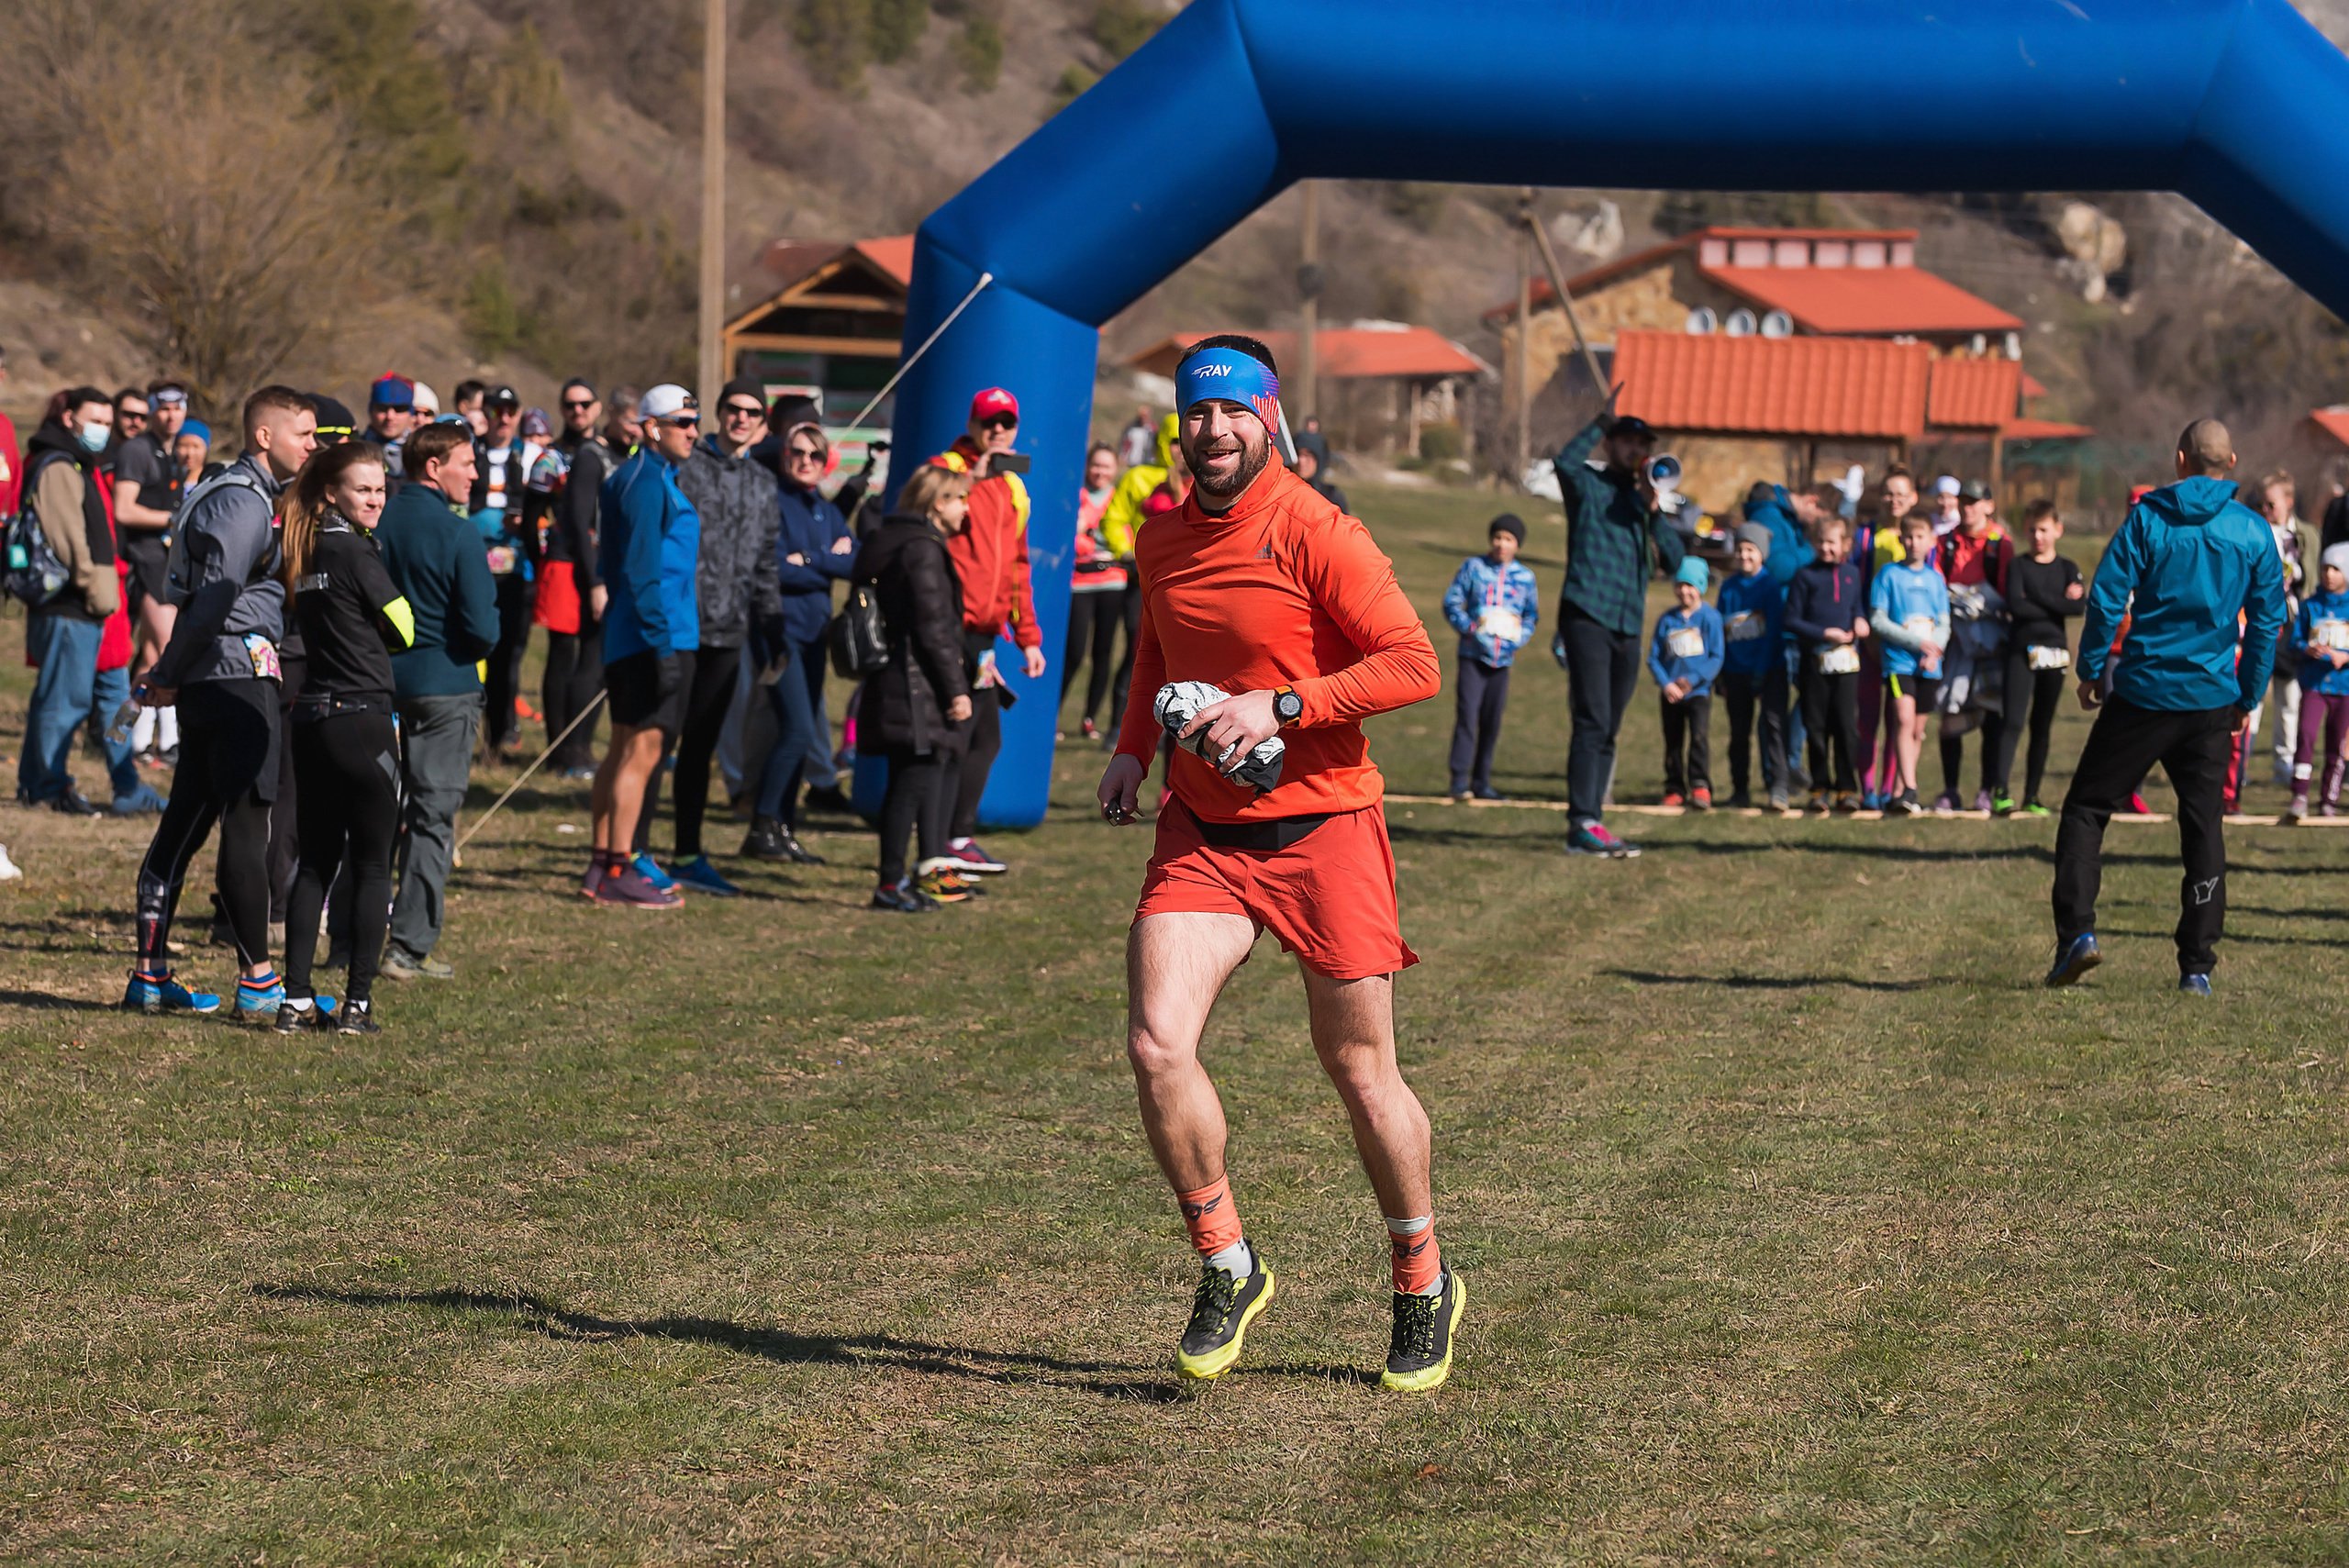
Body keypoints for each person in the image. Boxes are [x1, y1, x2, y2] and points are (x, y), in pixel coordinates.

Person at [1097, 334, 1456, 1393]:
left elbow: (1413, 662)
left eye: (1232, 412)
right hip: (1204, 833)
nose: (1211, 430)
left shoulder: (1317, 529)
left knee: (1359, 1069)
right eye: (1195, 413)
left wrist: (1283, 705)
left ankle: (1422, 1277)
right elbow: (1158, 647)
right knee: (1157, 1043)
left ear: (1268, 420)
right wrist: (1131, 748)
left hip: (1323, 830)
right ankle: (1228, 1261)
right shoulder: (1161, 538)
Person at [2049, 418, 2284, 995]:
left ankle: (2078, 935)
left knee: (2086, 810)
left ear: (2180, 460)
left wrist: (2091, 670)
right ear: (2231, 464)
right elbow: (2266, 624)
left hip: (2144, 694)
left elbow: (2107, 596)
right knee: (2203, 828)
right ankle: (2196, 968)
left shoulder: (2148, 518)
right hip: (2210, 700)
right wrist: (2248, 696)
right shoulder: (2253, 530)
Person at [124, 386, 317, 1020]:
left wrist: (177, 669)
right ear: (264, 435)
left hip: (215, 673)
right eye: (304, 433)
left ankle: (150, 976)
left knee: (186, 819)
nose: (312, 445)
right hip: (237, 677)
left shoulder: (235, 491)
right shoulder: (243, 501)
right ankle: (258, 980)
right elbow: (214, 598)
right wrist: (168, 669)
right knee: (246, 823)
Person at [275, 440, 412, 1035]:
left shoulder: (304, 550)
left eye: (380, 488)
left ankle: (295, 1000)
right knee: (374, 865)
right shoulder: (356, 551)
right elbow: (405, 625)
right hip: (362, 718)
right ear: (333, 493)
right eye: (363, 489)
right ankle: (357, 1005)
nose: (375, 498)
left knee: (314, 865)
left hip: (313, 718)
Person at [375, 420, 500, 979]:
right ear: (434, 467)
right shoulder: (457, 532)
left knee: (376, 813)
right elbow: (483, 628)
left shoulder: (376, 522)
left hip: (381, 683)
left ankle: (352, 937)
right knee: (432, 817)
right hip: (446, 686)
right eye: (467, 464)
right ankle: (407, 946)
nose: (475, 475)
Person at [654, 375, 783, 897]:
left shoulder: (764, 483)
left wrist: (772, 622)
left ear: (763, 423)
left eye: (752, 412)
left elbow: (766, 562)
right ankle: (629, 852)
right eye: (734, 408)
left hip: (730, 632)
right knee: (657, 739)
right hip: (680, 628)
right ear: (719, 412)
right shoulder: (686, 467)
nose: (741, 418)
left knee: (700, 747)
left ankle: (687, 852)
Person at [584, 384, 701, 908]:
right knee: (641, 752)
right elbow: (640, 571)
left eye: (695, 423)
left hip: (636, 634)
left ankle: (602, 862)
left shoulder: (646, 477)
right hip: (653, 635)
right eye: (683, 423)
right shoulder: (647, 481)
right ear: (653, 428)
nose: (693, 433)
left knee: (623, 748)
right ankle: (618, 866)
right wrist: (661, 648)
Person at [1553, 410, 1686, 857]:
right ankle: (1581, 823)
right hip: (1588, 614)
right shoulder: (1589, 485)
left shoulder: (1642, 500)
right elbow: (1564, 463)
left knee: (1609, 725)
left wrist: (1653, 510)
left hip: (1627, 624)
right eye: (1627, 441)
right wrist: (1598, 422)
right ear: (1609, 444)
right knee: (1591, 720)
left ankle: (1593, 819)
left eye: (1642, 444)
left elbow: (1675, 560)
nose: (1636, 450)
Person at [929, 386, 1047, 877]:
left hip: (984, 637)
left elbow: (1018, 565)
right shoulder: (947, 467)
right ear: (972, 425)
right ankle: (936, 845)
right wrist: (970, 478)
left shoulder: (1013, 486)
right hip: (946, 628)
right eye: (989, 422)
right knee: (953, 739)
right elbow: (922, 515)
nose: (998, 430)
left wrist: (1028, 636)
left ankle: (955, 838)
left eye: (1007, 423)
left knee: (984, 739)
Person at [17, 387, 146, 815]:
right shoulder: (60, 464)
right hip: (77, 603)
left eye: (107, 423)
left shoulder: (82, 463)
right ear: (69, 418)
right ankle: (48, 786)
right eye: (96, 421)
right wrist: (95, 585)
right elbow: (69, 539)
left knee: (108, 700)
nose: (103, 430)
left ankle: (124, 782)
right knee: (64, 702)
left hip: (102, 606)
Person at [859, 462, 978, 910]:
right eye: (960, 499)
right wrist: (955, 690)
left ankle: (898, 881)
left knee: (908, 782)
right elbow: (933, 628)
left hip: (901, 680)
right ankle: (889, 885)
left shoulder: (899, 540)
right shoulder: (922, 549)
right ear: (937, 502)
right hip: (915, 685)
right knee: (909, 785)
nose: (966, 508)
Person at [748, 417, 857, 862]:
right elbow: (773, 569)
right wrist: (827, 560)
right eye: (797, 452)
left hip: (815, 635)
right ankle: (762, 826)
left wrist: (810, 559)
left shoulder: (825, 510)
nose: (806, 461)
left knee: (800, 728)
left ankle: (783, 828)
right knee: (796, 730)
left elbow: (856, 562)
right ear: (783, 456)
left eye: (816, 454)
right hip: (779, 631)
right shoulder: (772, 502)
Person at [1991, 500, 2087, 815]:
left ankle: (2032, 796)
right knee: (2013, 721)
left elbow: (2077, 607)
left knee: (2041, 725)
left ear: (2058, 530)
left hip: (2055, 654)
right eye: (2032, 530)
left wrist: (2036, 597)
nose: (2038, 536)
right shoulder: (2018, 566)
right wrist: (2057, 601)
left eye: (2044, 530)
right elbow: (2015, 605)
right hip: (2021, 652)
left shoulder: (2068, 568)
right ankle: (2001, 792)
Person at [537, 379, 612, 776]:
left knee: (595, 655)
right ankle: (557, 751)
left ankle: (580, 746)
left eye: (585, 403)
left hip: (601, 562)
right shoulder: (550, 457)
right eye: (570, 404)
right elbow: (531, 509)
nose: (577, 411)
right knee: (562, 654)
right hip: (564, 561)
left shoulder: (608, 452)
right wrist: (539, 555)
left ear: (598, 407)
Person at [1097, 413, 1185, 746]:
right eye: (1173, 441)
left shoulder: (1200, 477)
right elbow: (1113, 518)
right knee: (1139, 651)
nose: (1178, 449)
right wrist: (1128, 553)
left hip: (1180, 582)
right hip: (1142, 577)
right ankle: (1117, 726)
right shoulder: (1138, 477)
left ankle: (1166, 730)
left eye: (1182, 441)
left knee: (1176, 656)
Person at [1440, 513, 1538, 801]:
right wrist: (1471, 630)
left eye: (1508, 539)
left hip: (1503, 660)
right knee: (1467, 716)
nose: (1501, 544)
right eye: (1497, 537)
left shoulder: (1525, 578)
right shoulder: (1474, 568)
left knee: (1492, 720)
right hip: (1473, 656)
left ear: (1517, 544)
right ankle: (1459, 781)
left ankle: (1482, 782)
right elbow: (1452, 602)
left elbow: (1531, 615)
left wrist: (1520, 637)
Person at [1932, 479, 2012, 812]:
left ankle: (1986, 790)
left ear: (1988, 506)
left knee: (1992, 713)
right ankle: (1950, 789)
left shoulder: (2000, 543)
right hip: (1956, 639)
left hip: (1991, 639)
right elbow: (1937, 584)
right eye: (1963, 501)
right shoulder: (1946, 542)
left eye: (1975, 502)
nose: (1967, 508)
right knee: (1950, 712)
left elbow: (2007, 590)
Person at [1785, 514, 1871, 811]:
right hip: (1814, 663)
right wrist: (1823, 633)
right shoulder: (1805, 576)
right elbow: (1791, 619)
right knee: (1816, 726)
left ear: (1845, 544)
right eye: (1820, 542)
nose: (1825, 548)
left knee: (1846, 726)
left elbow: (1857, 607)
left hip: (1846, 665)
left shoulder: (1852, 574)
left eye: (1832, 542)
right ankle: (1819, 787)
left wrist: (1860, 619)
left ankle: (1846, 789)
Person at [1869, 513, 1951, 816]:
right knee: (1903, 719)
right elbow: (1878, 620)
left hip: (1929, 665)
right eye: (1909, 537)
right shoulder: (1888, 575)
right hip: (1899, 662)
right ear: (1901, 539)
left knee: (1917, 728)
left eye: (1920, 537)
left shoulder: (1935, 579)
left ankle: (1902, 792)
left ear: (1931, 541)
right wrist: (1916, 642)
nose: (1914, 543)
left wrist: (1934, 650)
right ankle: (1911, 788)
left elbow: (1944, 623)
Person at [468, 386, 533, 756]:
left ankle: (499, 733)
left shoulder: (529, 454)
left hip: (513, 568)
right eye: (496, 410)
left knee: (507, 654)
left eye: (510, 410)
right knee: (473, 647)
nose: (503, 418)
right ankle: (468, 732)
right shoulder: (469, 451)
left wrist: (526, 521)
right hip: (473, 563)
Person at [1717, 525, 1787, 810]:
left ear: (1762, 554)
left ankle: (1778, 787)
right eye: (1740, 549)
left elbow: (1773, 634)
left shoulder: (1770, 587)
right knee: (1738, 733)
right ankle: (1739, 790)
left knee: (1773, 726)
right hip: (1735, 670)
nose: (1744, 555)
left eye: (1751, 550)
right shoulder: (1728, 588)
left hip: (1770, 668)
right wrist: (1721, 673)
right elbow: (1720, 630)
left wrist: (1761, 671)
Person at [2256, 471, 2320, 788]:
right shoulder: (2255, 530)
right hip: (2260, 621)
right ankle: (2237, 769)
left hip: (2294, 622)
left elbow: (2314, 578)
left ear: (2289, 502)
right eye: (2262, 504)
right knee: (2253, 697)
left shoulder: (2306, 534)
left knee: (2289, 701)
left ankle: (2285, 767)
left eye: (2272, 504)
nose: (2266, 510)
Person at [1062, 444, 1129, 742]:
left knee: (1103, 652)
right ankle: (1053, 715)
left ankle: (1089, 719)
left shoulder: (1119, 497)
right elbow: (1068, 538)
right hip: (1080, 583)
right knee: (1074, 652)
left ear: (1115, 470)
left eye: (1106, 466)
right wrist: (1084, 538)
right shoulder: (1076, 496)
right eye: (1096, 465)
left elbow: (1125, 535)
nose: (1100, 472)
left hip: (1113, 582)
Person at [2281, 543, 2349, 825]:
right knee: (2306, 736)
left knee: (2337, 744)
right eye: (2325, 568)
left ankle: (2329, 800)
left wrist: (2344, 657)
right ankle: (2299, 795)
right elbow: (2295, 640)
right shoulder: (2310, 605)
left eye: (2336, 569)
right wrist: (2307, 649)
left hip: (2344, 688)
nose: (2329, 574)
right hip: (2314, 686)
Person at [1649, 555, 1723, 808]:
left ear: (1700, 587)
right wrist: (1667, 684)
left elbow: (1716, 657)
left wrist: (1692, 680)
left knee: (1699, 739)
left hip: (1698, 693)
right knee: (1673, 742)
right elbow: (1653, 658)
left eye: (1690, 585)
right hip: (1671, 694)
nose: (1684, 591)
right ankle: (1674, 788)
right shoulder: (1667, 619)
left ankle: (1700, 786)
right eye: (1680, 585)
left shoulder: (1710, 618)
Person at [360, 373, 417, 489]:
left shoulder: (421, 452)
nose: (390, 416)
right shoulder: (355, 451)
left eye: (399, 409)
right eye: (382, 408)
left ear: (411, 413)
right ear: (371, 410)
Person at [1118, 405, 1155, 470]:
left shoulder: (1152, 429)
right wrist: (1122, 455)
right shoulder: (1131, 427)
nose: (1144, 418)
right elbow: (1125, 442)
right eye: (1142, 416)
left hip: (1148, 461)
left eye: (1146, 415)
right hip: (1133, 460)